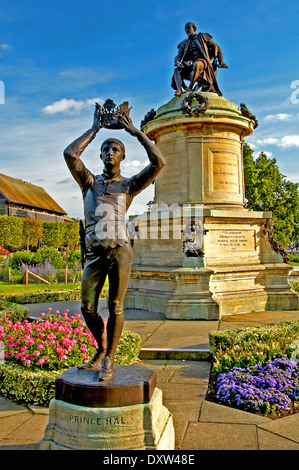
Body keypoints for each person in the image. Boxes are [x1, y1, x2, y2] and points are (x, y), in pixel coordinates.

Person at [63, 107, 165, 381]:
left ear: (122, 155)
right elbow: (70, 154)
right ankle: (101, 348)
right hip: (94, 253)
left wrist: (135, 133)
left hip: (120, 250)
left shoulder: (130, 185)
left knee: (116, 305)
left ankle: (109, 360)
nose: (110, 152)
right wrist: (95, 130)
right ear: (100, 154)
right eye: (106, 149)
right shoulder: (89, 182)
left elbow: (159, 164)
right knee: (88, 307)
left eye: (115, 149)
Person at [171, 22, 228, 96]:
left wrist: (221, 61)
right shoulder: (184, 43)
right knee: (176, 70)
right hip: (189, 64)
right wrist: (178, 63)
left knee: (196, 64)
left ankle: (189, 88)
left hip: (202, 61)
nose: (187, 30)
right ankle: (179, 90)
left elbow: (217, 48)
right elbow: (178, 57)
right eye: (185, 29)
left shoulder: (202, 37)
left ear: (194, 28)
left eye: (189, 28)